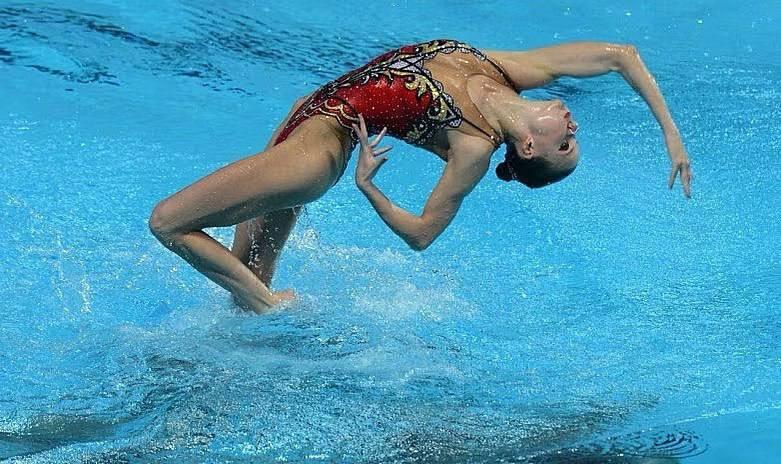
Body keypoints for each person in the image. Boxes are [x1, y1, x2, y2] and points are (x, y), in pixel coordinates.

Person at [148, 39, 692, 313]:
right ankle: (255, 334)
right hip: (304, 115)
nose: (574, 127)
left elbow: (423, 233)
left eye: (566, 145)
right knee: (247, 274)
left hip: (317, 151)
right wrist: (671, 133)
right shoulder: (506, 71)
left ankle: (273, 310)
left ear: (528, 148)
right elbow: (620, 56)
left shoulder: (475, 146)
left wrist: (369, 187)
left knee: (169, 223)